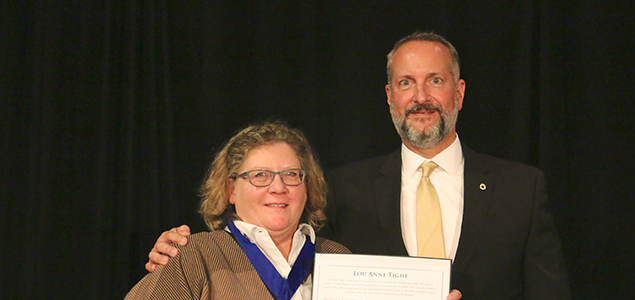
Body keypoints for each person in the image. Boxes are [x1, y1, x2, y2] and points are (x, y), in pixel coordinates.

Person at [147, 32, 571, 299]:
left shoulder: (522, 189)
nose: (420, 95)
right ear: (390, 95)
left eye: (435, 81)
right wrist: (175, 250)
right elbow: (277, 251)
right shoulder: (344, 190)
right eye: (406, 82)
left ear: (459, 92)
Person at [125, 121, 350, 300]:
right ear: (231, 190)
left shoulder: (338, 258)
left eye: (291, 174)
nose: (279, 188)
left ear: (307, 188)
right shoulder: (195, 256)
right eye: (260, 176)